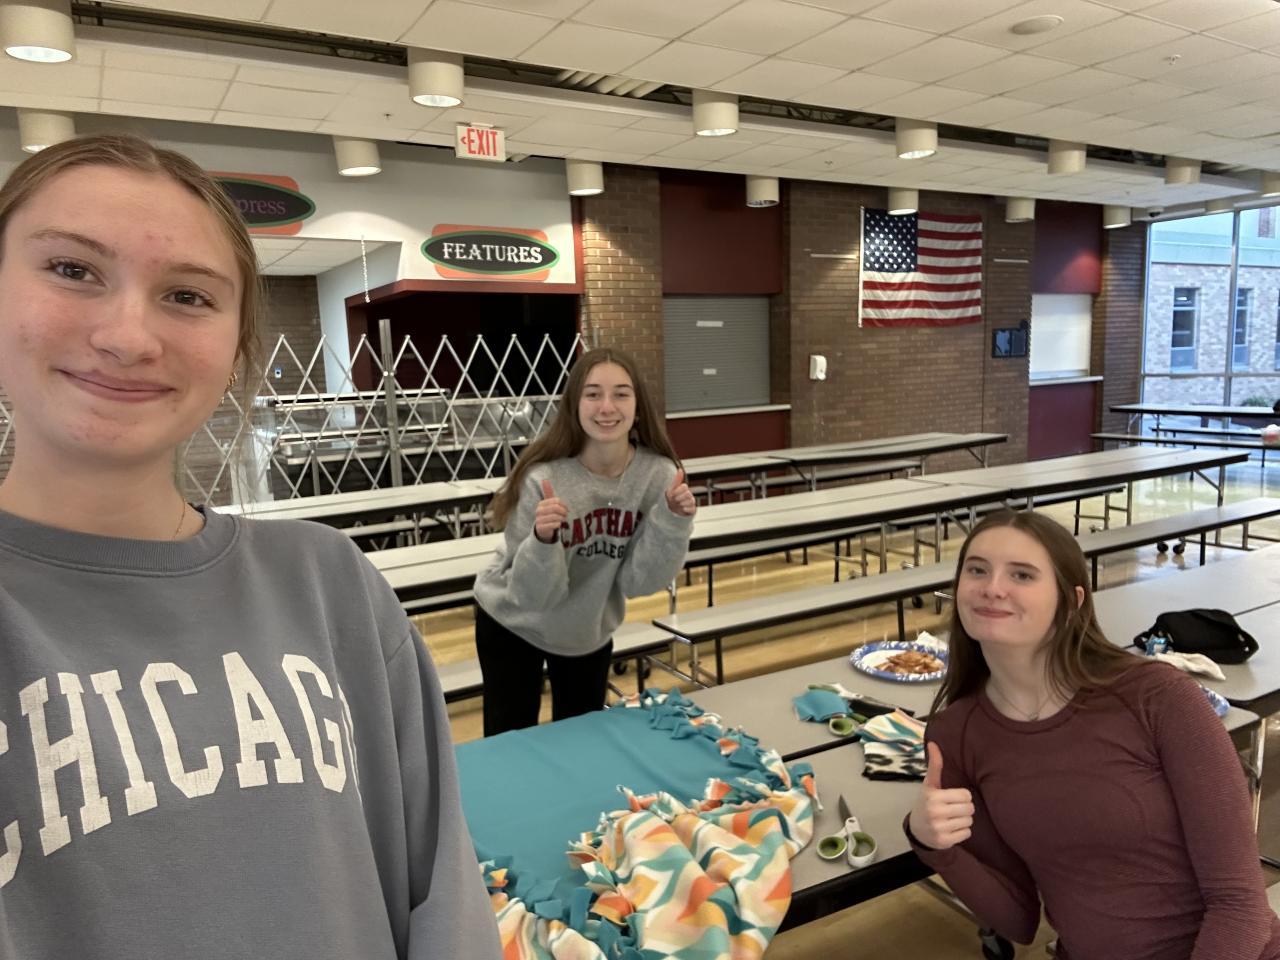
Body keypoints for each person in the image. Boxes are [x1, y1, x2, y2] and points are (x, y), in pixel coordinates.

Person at [0, 133, 500, 959]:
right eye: (72, 269)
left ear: (236, 350)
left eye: (187, 295)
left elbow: (441, 896)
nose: (129, 336)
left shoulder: (329, 586)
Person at [904, 508, 1280, 959]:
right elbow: (1018, 919)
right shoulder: (956, 734)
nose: (993, 587)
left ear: (1072, 601)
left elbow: (1239, 907)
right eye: (977, 570)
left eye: (1022, 575)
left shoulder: (1156, 697)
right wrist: (931, 843)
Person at [473, 347, 695, 737]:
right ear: (575, 406)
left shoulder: (658, 476)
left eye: (621, 394)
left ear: (638, 407)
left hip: (585, 629)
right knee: (510, 741)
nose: (607, 407)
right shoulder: (544, 478)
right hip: (512, 620)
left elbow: (639, 583)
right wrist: (543, 540)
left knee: (581, 740)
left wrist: (673, 522)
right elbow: (531, 596)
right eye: (593, 394)